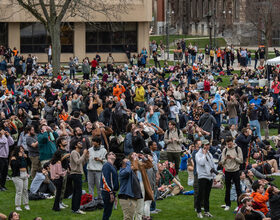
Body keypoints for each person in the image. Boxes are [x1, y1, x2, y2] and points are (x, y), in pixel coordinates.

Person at [221, 137, 243, 211]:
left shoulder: (238, 149)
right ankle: (227, 204)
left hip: (236, 170)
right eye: (227, 144)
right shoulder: (225, 149)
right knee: (227, 188)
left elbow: (241, 160)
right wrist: (225, 159)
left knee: (238, 188)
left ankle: (239, 205)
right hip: (227, 171)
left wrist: (234, 158)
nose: (229, 145)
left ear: (232, 142)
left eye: (230, 144)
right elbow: (222, 162)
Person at [195, 139, 215, 218]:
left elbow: (212, 165)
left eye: (208, 145)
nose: (208, 146)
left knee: (207, 195)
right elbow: (201, 163)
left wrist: (214, 176)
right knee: (200, 194)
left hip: (209, 176)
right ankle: (199, 211)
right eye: (206, 145)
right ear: (203, 146)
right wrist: (204, 154)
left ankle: (207, 211)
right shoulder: (198, 154)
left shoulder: (209, 154)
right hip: (202, 176)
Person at [70, 140, 88, 214]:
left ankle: (74, 208)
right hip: (76, 174)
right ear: (75, 145)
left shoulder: (77, 153)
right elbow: (77, 162)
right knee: (78, 192)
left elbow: (81, 163)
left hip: (78, 174)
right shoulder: (74, 152)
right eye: (79, 143)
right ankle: (76, 209)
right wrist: (83, 154)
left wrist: (86, 157)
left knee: (76, 192)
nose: (81, 144)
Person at [100, 152, 119, 220]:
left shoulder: (113, 166)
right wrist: (110, 192)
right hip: (107, 191)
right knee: (107, 211)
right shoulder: (106, 165)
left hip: (111, 192)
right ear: (107, 157)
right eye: (111, 154)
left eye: (114, 154)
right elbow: (105, 179)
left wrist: (114, 193)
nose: (113, 154)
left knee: (109, 211)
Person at [10, 146, 30, 211]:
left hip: (25, 174)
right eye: (21, 149)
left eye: (22, 149)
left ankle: (26, 204)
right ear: (17, 150)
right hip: (17, 175)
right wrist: (20, 157)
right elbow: (16, 166)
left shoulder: (23, 157)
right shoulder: (14, 158)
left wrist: (26, 158)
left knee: (25, 190)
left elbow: (27, 164)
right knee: (19, 191)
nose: (22, 150)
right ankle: (17, 206)